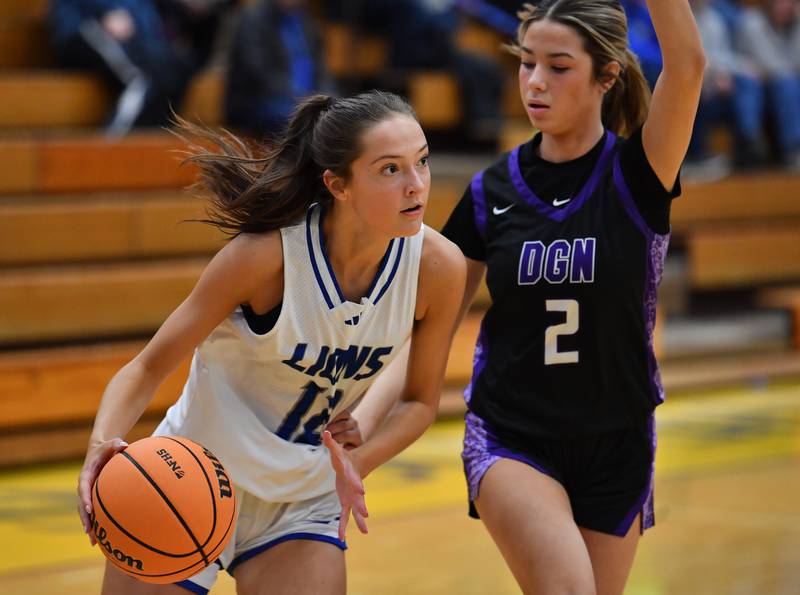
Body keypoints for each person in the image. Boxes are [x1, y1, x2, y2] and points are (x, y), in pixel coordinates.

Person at [357, 1, 705, 593]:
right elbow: (424, 332)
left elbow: (688, 63)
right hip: (511, 434)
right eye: (526, 63)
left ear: (606, 76)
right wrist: (361, 429)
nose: (535, 82)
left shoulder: (638, 173)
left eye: (559, 67)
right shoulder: (489, 190)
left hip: (617, 440)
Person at [76, 90, 466, 594]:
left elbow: (418, 402)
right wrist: (98, 447)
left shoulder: (439, 267)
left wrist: (357, 460)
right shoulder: (265, 258)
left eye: (422, 161)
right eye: (390, 169)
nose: (417, 185)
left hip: (302, 501)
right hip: (189, 478)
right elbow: (147, 368)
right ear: (337, 184)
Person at [225, 0, 336, 139]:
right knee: (305, 121)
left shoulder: (305, 21)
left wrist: (330, 98)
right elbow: (257, 72)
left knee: (341, 116)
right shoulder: (252, 17)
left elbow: (321, 72)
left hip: (305, 99)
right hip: (259, 101)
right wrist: (300, 97)